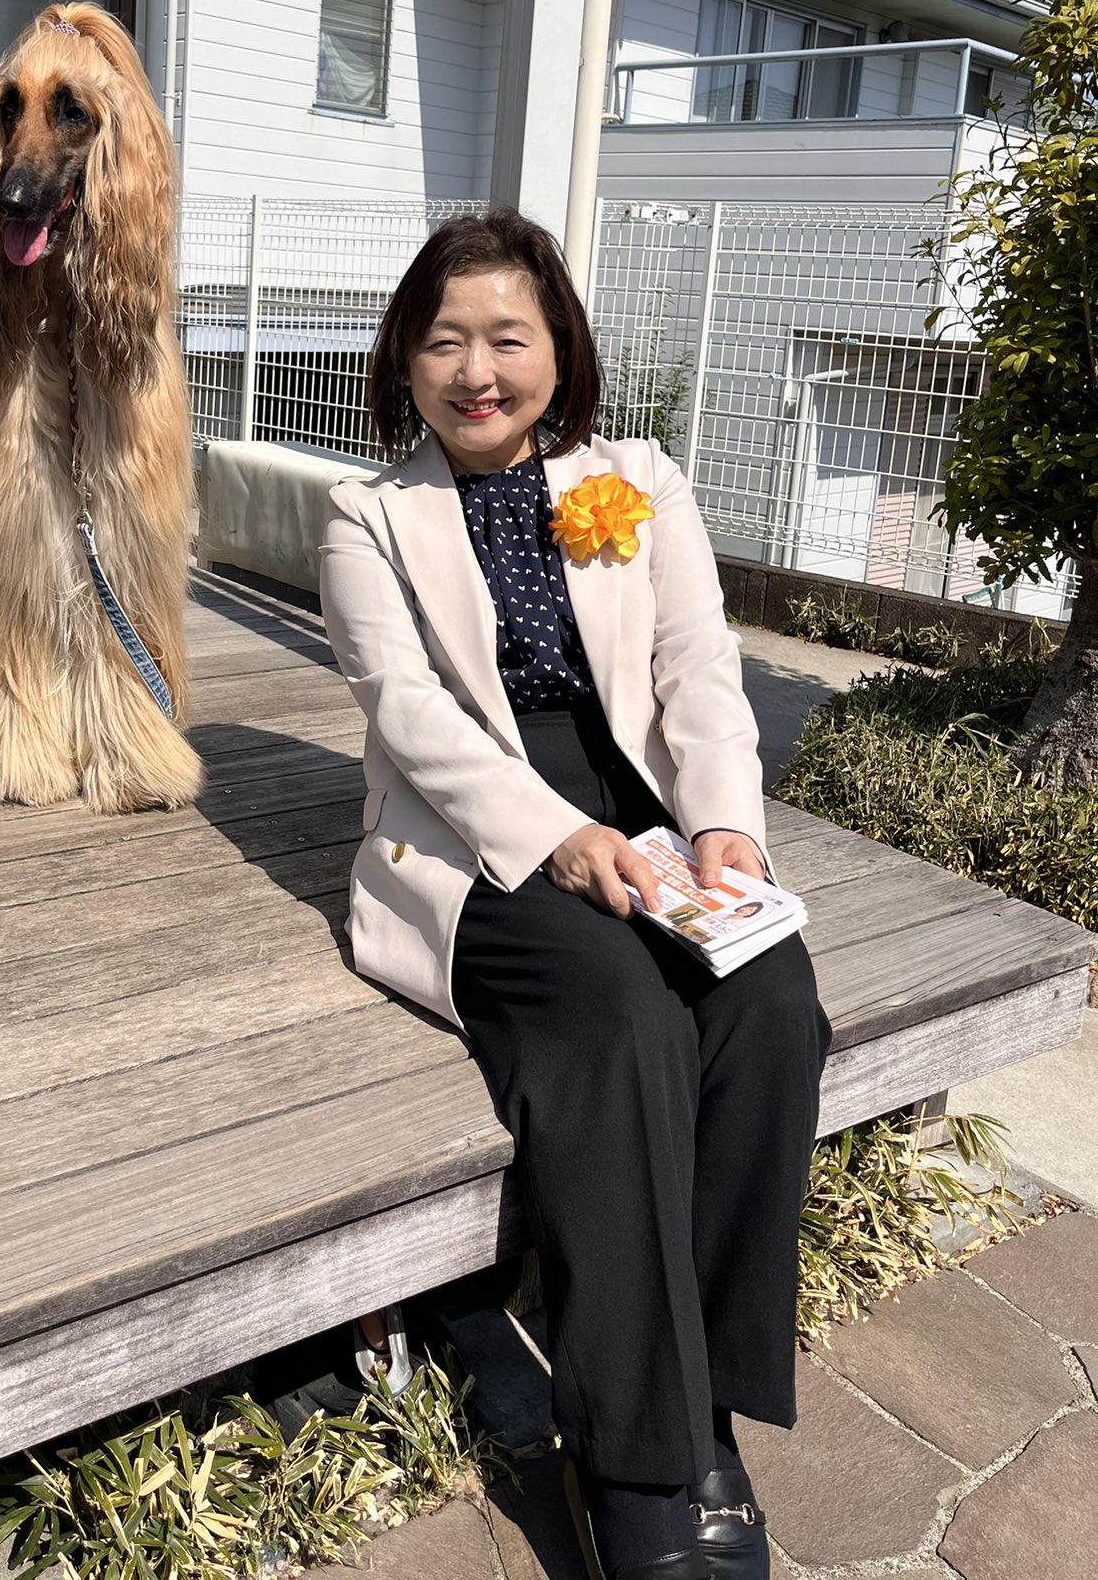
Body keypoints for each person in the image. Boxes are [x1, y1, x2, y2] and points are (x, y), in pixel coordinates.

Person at [318, 210, 831, 1580]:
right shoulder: (367, 514)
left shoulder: (640, 479)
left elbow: (696, 670)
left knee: (772, 1005)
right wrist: (555, 839)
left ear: (560, 350)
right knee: (623, 1020)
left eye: (507, 338)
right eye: (444, 342)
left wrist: (722, 828)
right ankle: (638, 1464)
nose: (476, 372)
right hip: (474, 829)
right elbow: (411, 716)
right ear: (405, 359)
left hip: (645, 804)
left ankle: (703, 1412)